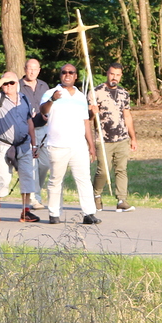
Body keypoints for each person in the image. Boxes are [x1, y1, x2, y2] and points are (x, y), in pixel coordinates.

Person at [39, 64, 100, 226]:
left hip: (78, 145)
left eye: (71, 72)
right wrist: (52, 100)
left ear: (75, 76)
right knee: (56, 180)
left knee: (84, 179)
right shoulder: (51, 93)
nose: (67, 75)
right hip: (57, 145)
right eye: (64, 72)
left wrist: (91, 145)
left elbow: (85, 121)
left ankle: (89, 213)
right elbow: (43, 111)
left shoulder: (80, 97)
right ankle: (54, 213)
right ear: (60, 75)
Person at [0, 71, 40, 222]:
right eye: (5, 83)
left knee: (27, 177)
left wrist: (34, 144)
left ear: (17, 84)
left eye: (11, 82)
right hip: (4, 145)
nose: (8, 85)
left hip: (24, 144)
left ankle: (25, 212)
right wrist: (2, 80)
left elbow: (29, 121)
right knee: (3, 177)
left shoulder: (24, 99)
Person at [90, 62, 137, 212]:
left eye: (117, 75)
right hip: (103, 139)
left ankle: (122, 200)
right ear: (107, 73)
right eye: (112, 74)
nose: (114, 77)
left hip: (122, 138)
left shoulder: (124, 93)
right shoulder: (96, 92)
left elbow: (127, 116)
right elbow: (88, 117)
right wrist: (92, 111)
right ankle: (96, 195)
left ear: (121, 76)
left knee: (121, 169)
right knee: (103, 171)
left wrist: (133, 137)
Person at [18, 57, 51, 199]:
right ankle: (34, 198)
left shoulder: (44, 86)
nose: (32, 72)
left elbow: (49, 105)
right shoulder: (18, 86)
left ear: (39, 70)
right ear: (25, 69)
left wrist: (47, 115)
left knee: (45, 164)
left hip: (44, 129)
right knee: (32, 165)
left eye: (35, 69)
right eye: (29, 69)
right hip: (26, 131)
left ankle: (37, 191)